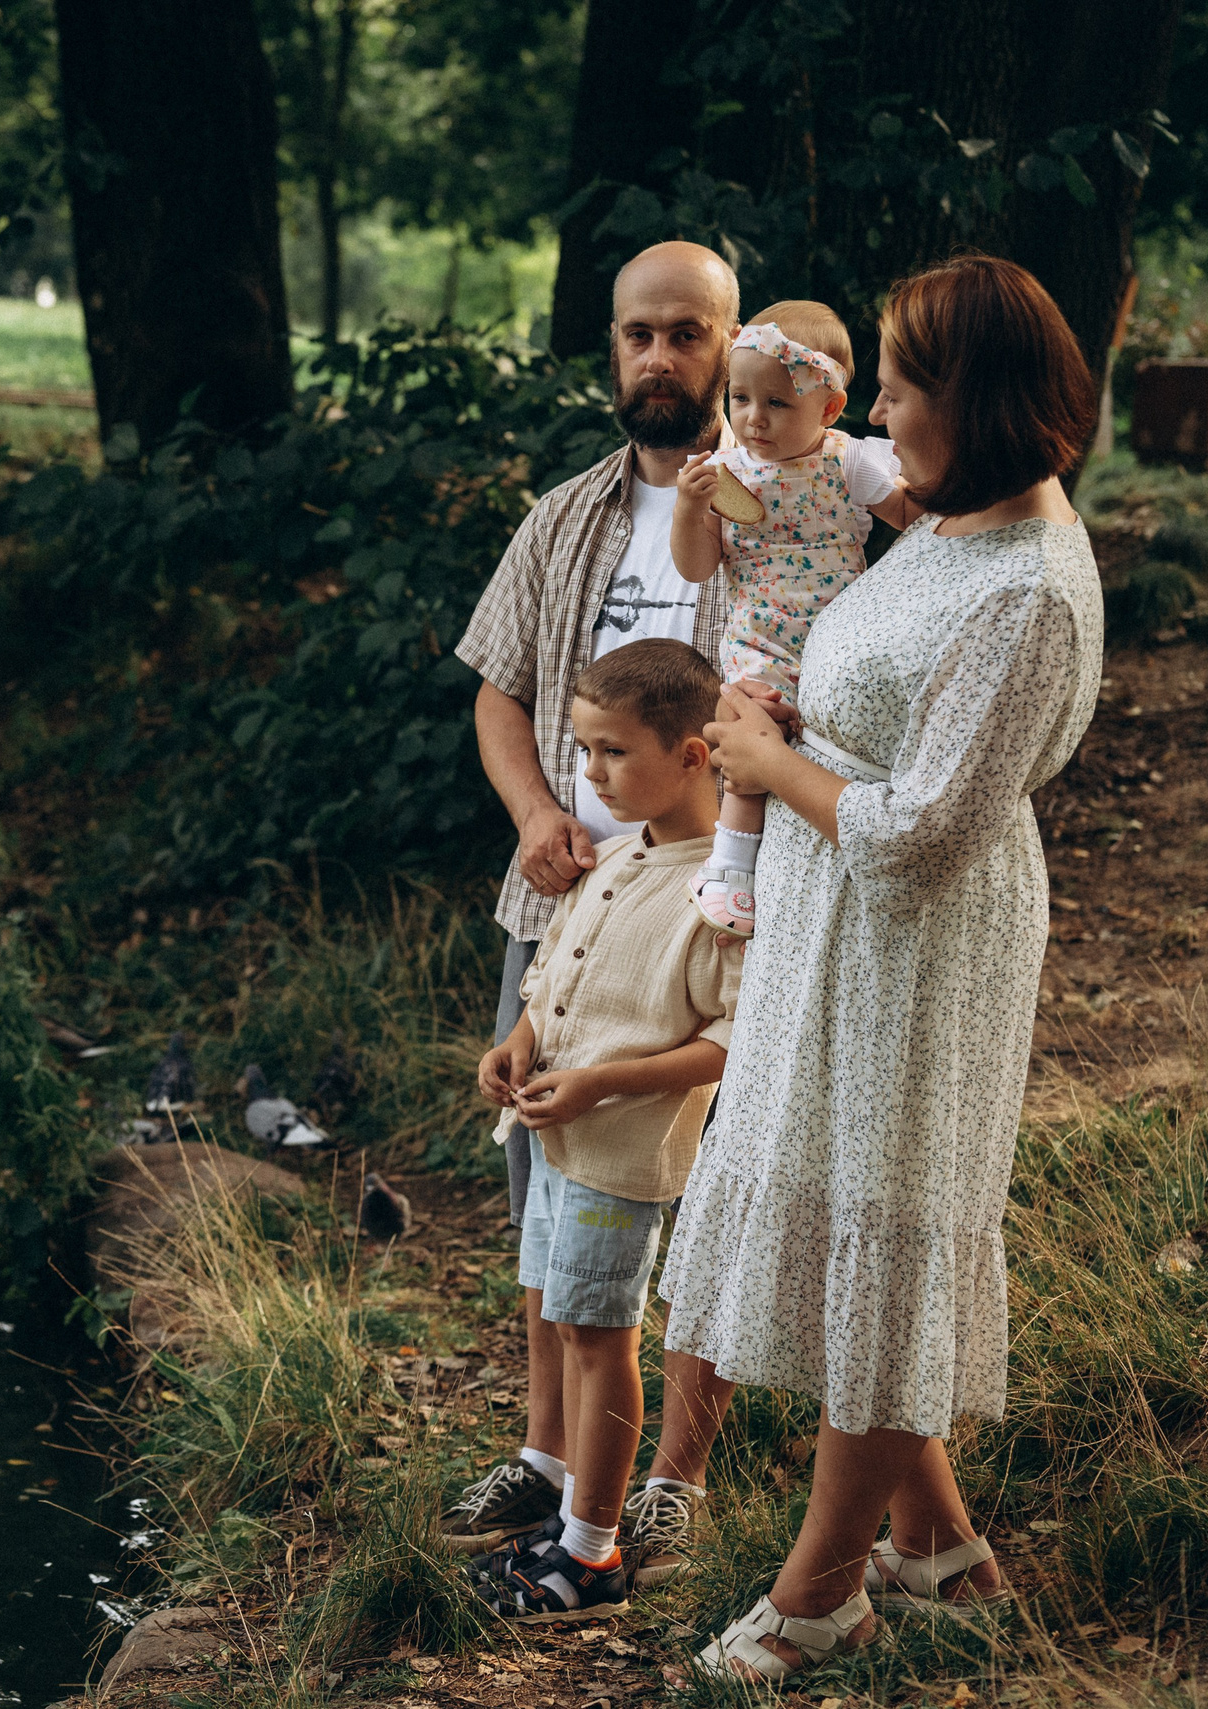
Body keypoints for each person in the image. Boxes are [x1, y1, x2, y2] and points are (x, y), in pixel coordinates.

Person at [657, 254, 1105, 1684]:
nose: (882, 410)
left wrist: (769, 761)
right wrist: (794, 705)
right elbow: (881, 700)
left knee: (886, 1227)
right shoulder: (957, 529)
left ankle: (818, 1594)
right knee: (858, 1212)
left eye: (904, 387)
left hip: (918, 946)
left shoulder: (1030, 588)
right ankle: (937, 1546)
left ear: (974, 397)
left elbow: (921, 834)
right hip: (836, 928)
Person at [444, 239, 739, 1575]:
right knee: (548, 1185)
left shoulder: (784, 516)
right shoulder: (565, 514)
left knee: (714, 1192)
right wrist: (536, 815)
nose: (658, 357)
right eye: (637, 335)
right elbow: (499, 689)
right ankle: (550, 1455)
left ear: (728, 346)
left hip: (716, 907)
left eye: (686, 333)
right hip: (565, 900)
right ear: (610, 348)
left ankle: (666, 1476)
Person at [465, 639, 744, 1625]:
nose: (589, 774)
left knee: (600, 1334)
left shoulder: (719, 890)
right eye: (582, 750)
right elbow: (553, 978)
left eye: (612, 752)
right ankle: (574, 1510)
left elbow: (728, 1038)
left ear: (693, 755)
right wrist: (520, 1039)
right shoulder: (616, 852)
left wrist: (600, 1086)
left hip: (617, 1153)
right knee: (562, 1316)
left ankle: (589, 1551)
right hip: (553, 1139)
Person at [668, 301, 922, 937]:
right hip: (761, 633)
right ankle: (730, 866)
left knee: (837, 738)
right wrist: (688, 513)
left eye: (777, 404)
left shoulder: (848, 461)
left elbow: (916, 526)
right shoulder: (726, 474)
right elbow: (699, 568)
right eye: (741, 398)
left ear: (830, 408)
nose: (753, 419)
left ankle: (845, 855)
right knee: (748, 720)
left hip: (840, 630)